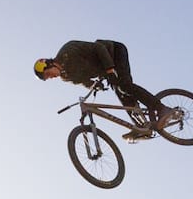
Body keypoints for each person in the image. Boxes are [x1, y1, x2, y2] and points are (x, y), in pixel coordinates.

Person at [34, 40, 171, 140]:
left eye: (47, 74)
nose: (51, 77)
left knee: (123, 85)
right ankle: (141, 127)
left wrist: (110, 69)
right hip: (105, 71)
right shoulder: (66, 77)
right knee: (120, 92)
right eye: (47, 78)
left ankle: (162, 108)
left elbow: (99, 47)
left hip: (114, 52)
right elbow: (84, 81)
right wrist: (94, 85)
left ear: (48, 64)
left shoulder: (68, 50)